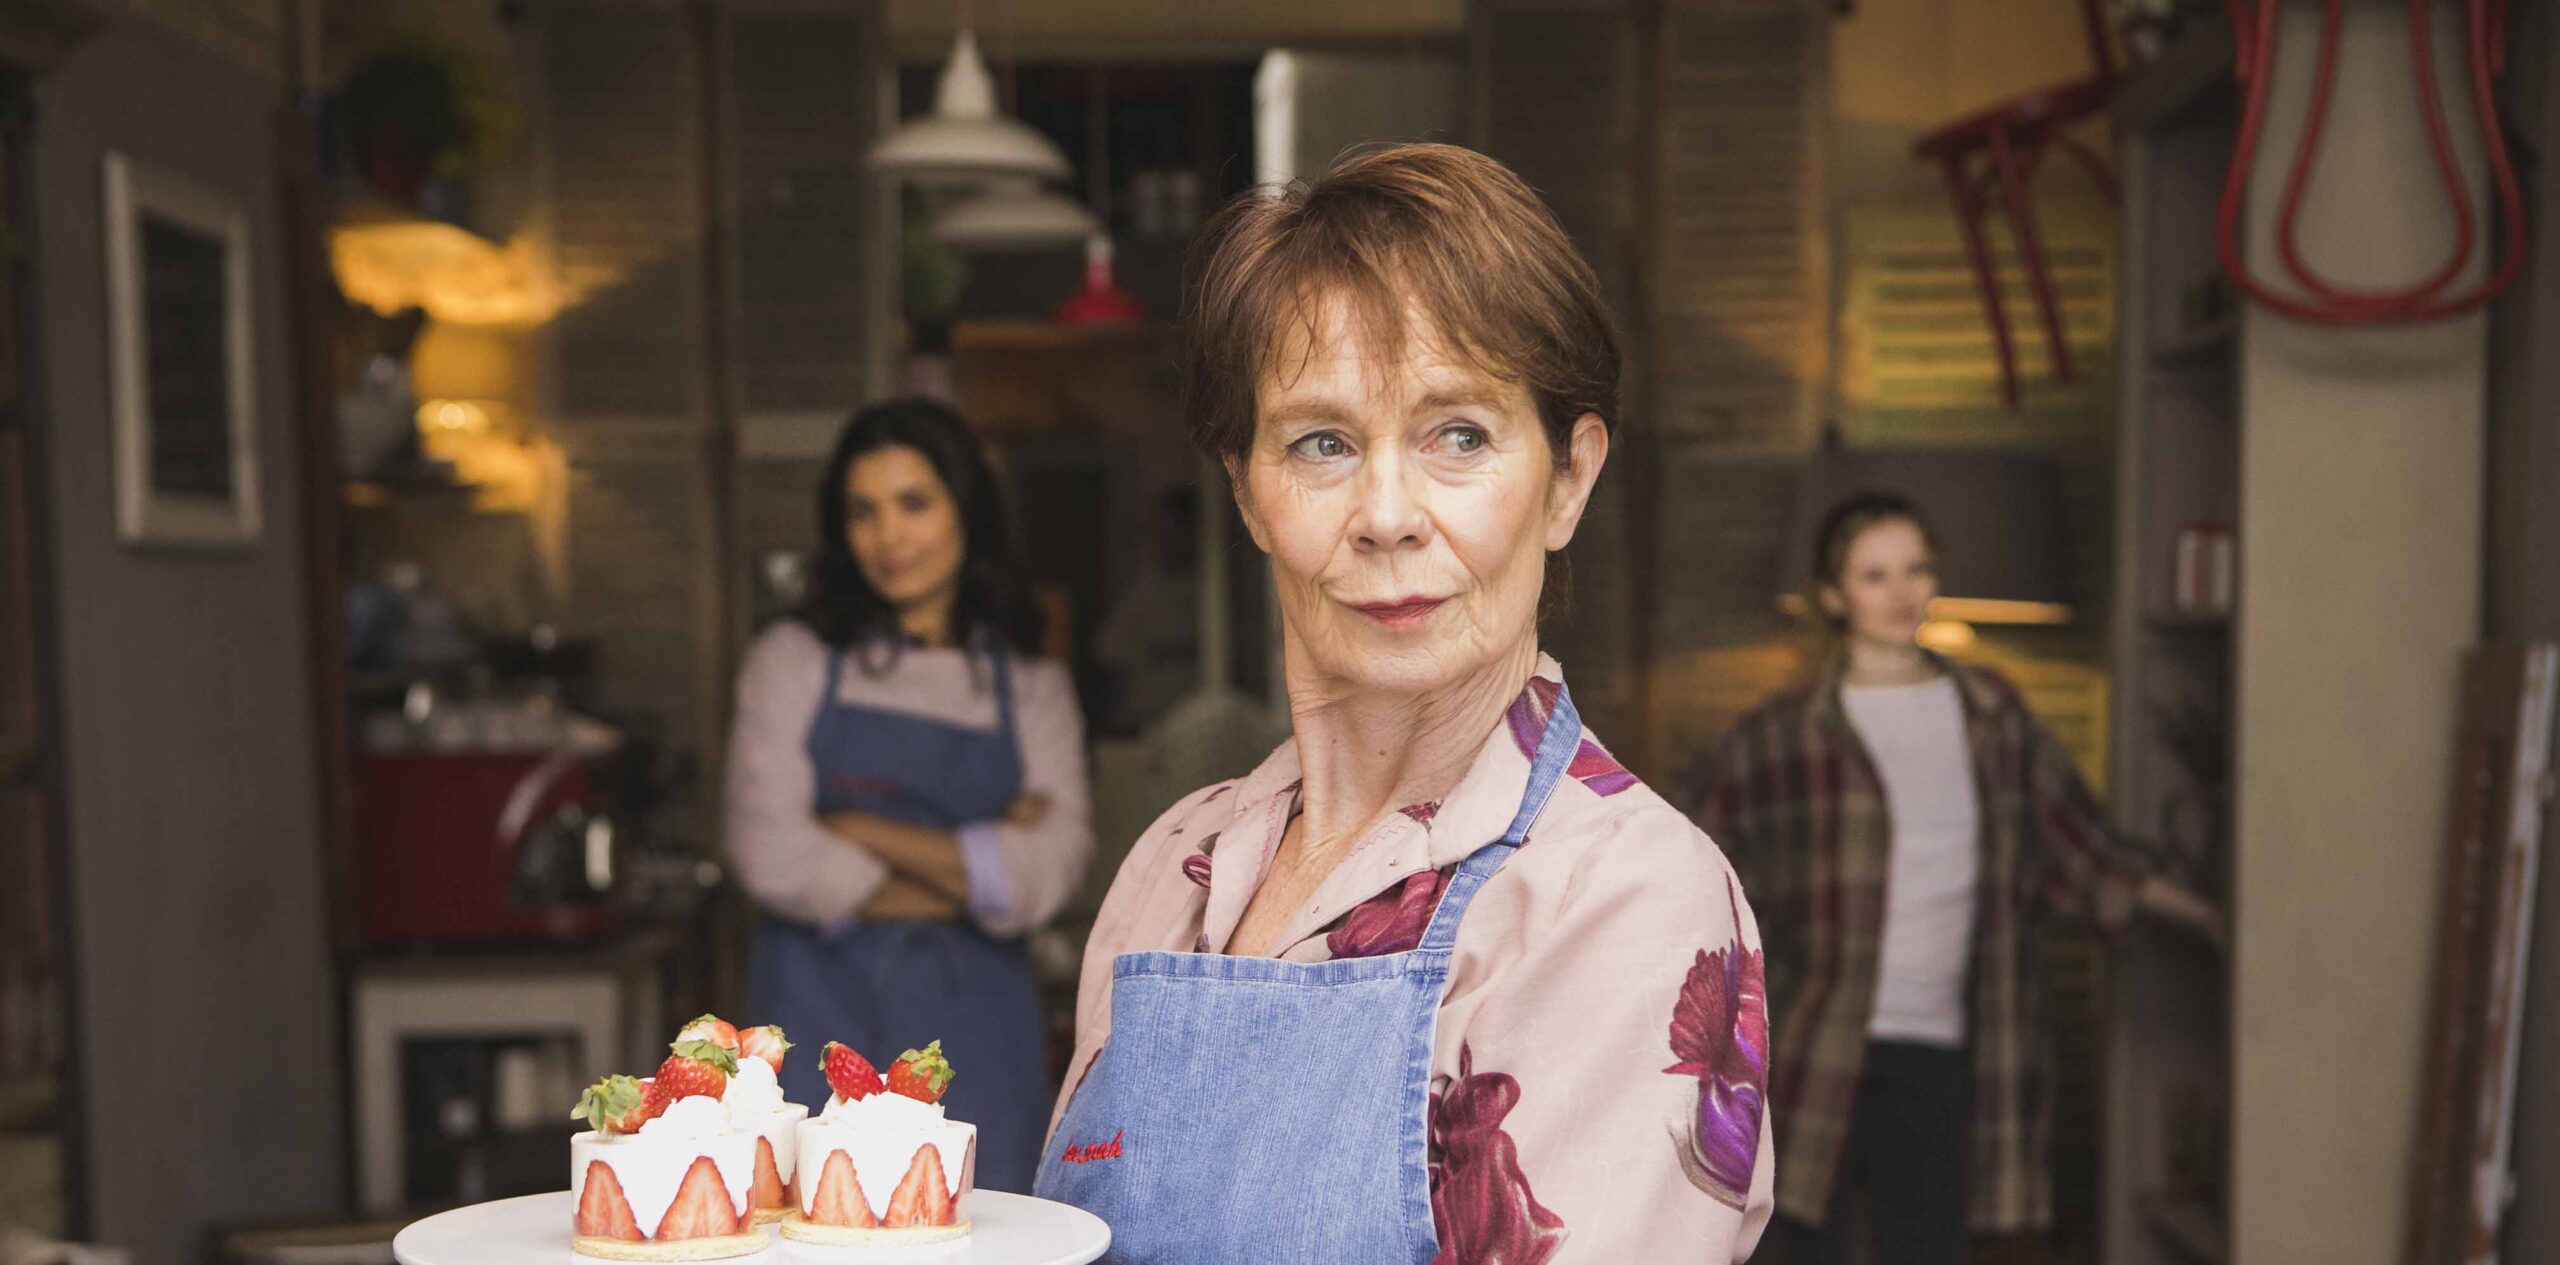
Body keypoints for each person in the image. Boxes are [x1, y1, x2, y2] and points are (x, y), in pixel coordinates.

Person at [1035, 142, 1774, 1263]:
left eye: (1458, 435)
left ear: (1568, 478)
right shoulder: (1170, 866)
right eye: (1322, 442)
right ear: (1246, 488)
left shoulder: (1625, 897)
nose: (1387, 513)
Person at [1687, 492, 2224, 1265]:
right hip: (1810, 1047)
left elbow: (2082, 846)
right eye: (1875, 574)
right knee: (1791, 1249)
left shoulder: (1993, 715)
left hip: (1943, 1051)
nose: (1901, 591)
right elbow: (1692, 852)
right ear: (1836, 596)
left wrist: (2206, 916)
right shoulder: (1782, 731)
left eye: (1916, 568)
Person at [722, 397, 1094, 1195]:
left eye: (913, 504)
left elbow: (1050, 871)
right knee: (809, 1226)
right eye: (864, 511)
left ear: (967, 508)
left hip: (979, 1034)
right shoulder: (791, 660)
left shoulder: (1030, 685)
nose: (888, 537)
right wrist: (979, 861)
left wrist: (858, 828)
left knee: (979, 1227)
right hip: (816, 1011)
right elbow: (772, 851)